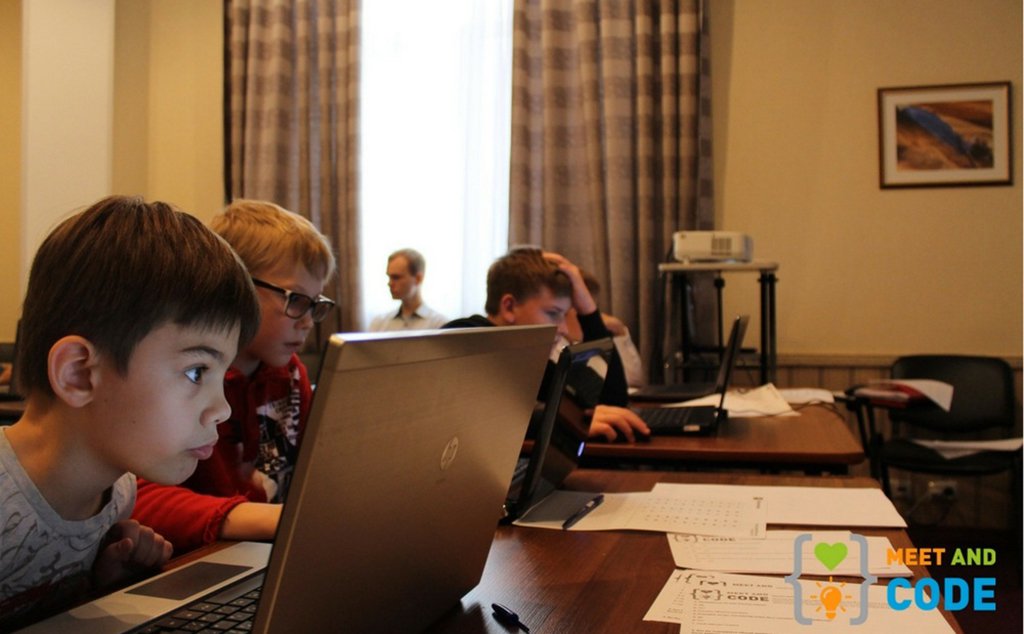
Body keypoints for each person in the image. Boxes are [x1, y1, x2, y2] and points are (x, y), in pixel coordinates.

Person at [0, 196, 261, 628]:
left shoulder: (118, 493)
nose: (222, 409)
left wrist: (103, 584)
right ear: (79, 374)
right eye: (197, 371)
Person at [132, 200, 337, 554]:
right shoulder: (186, 380)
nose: (307, 321)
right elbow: (137, 498)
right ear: (235, 287)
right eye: (296, 300)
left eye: (314, 303)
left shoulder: (291, 375)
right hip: (206, 554)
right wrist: (270, 520)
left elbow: (314, 468)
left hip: (272, 546)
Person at [444, 247, 649, 442]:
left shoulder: (529, 361)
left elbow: (611, 401)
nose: (563, 329)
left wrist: (588, 310)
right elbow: (475, 418)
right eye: (553, 313)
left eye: (564, 315)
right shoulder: (462, 338)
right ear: (509, 307)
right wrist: (565, 421)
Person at [565, 270, 646, 388]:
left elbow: (633, 381)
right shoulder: (556, 346)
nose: (590, 319)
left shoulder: (598, 333)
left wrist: (620, 333)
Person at [368, 248, 447, 331]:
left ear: (418, 278)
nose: (390, 283)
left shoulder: (439, 325)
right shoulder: (379, 324)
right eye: (389, 277)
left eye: (396, 277)